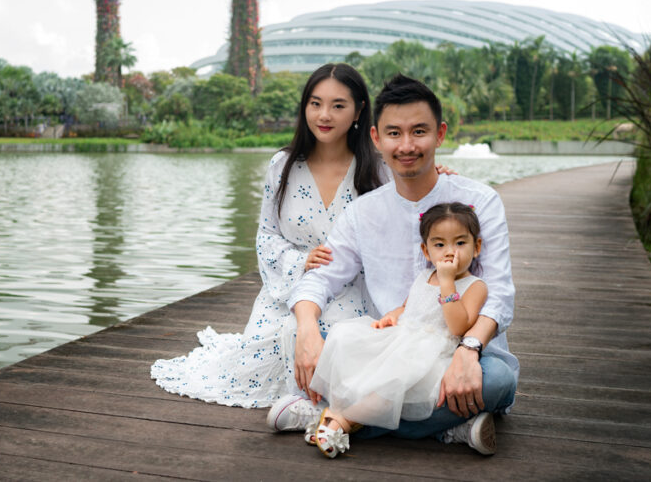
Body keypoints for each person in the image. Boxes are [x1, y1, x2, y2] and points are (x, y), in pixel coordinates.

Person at [267, 74, 518, 456]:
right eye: (394, 133)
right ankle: (447, 429)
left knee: (498, 382)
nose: (406, 145)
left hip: (464, 346)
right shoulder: (363, 212)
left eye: (419, 132)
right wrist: (306, 328)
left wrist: (468, 349)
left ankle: (329, 419)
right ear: (375, 138)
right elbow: (319, 279)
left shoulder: (478, 202)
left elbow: (498, 293)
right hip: (394, 348)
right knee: (336, 343)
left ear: (440, 134)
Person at [150, 63, 387, 407]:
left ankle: (315, 406)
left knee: (340, 337)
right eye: (315, 103)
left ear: (359, 111)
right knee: (281, 339)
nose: (324, 114)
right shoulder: (283, 165)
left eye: (338, 105)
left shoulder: (378, 170)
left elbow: (412, 215)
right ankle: (307, 402)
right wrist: (300, 259)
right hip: (290, 288)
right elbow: (267, 236)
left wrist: (437, 176)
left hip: (352, 289)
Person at [308, 202, 489, 458]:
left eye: (460, 243)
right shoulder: (423, 276)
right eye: (440, 245)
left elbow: (459, 326)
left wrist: (448, 282)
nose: (450, 252)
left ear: (477, 247)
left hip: (430, 353)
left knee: (391, 384)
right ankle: (333, 411)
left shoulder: (475, 286)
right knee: (347, 344)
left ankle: (342, 420)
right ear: (426, 251)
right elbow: (408, 307)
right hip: (402, 338)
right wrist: (391, 318)